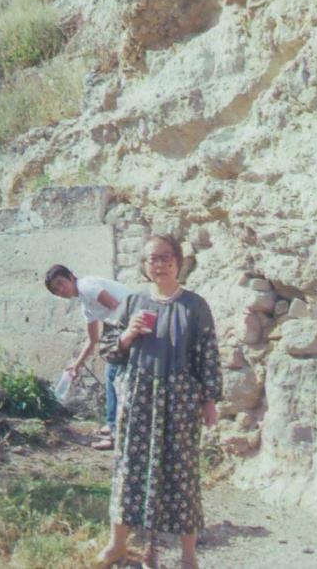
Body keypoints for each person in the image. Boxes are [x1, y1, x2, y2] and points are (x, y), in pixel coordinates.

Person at [95, 235, 221, 569]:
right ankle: (117, 545)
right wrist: (128, 335)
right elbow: (108, 350)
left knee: (182, 474)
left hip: (180, 401)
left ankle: (188, 556)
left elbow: (208, 355)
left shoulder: (195, 306)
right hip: (138, 397)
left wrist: (209, 400)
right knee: (129, 468)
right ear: (144, 264)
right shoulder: (133, 301)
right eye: (153, 259)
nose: (160, 264)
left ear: (178, 261)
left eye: (167, 257)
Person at [45, 264, 133, 450]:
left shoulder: (86, 286)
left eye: (61, 283)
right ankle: (114, 426)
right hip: (126, 329)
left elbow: (117, 307)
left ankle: (114, 433)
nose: (61, 290)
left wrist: (118, 340)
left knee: (113, 375)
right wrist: (76, 365)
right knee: (113, 377)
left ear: (71, 277)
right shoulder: (86, 304)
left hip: (131, 325)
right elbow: (92, 339)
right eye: (55, 290)